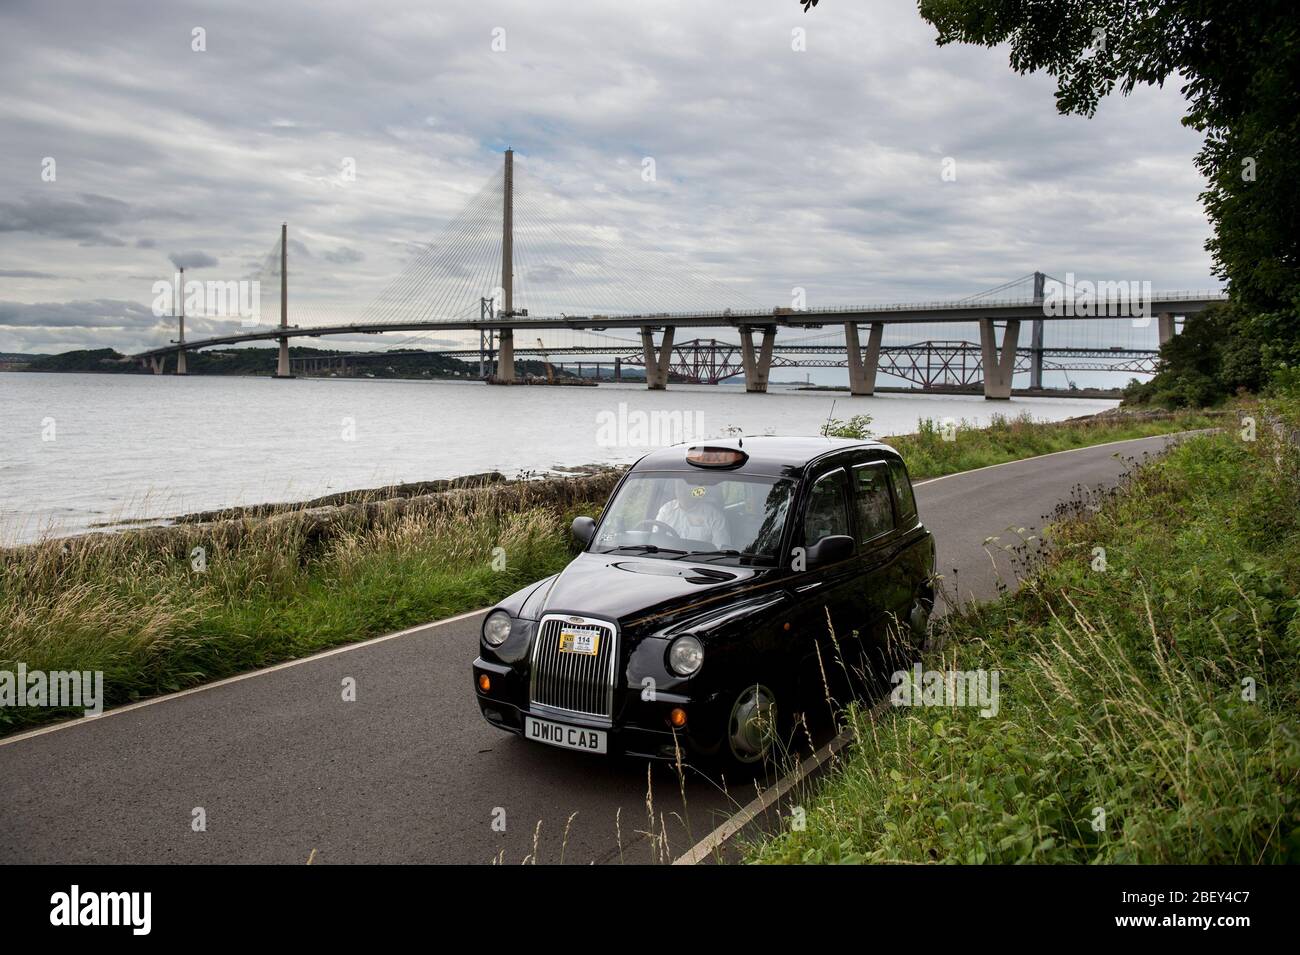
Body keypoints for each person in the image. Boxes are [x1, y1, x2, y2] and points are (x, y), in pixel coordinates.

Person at [655, 479, 729, 548]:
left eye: (687, 487)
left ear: (696, 489)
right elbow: (654, 539)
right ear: (675, 489)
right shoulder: (666, 510)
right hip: (665, 558)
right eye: (679, 487)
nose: (682, 492)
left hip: (699, 560)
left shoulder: (714, 516)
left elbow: (722, 549)